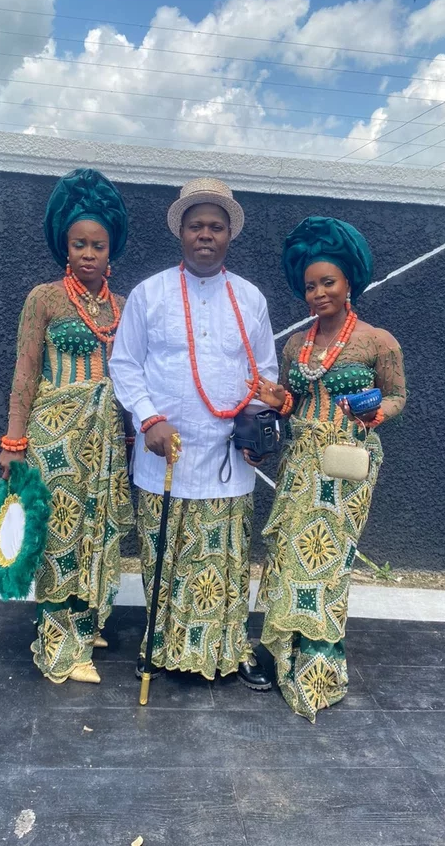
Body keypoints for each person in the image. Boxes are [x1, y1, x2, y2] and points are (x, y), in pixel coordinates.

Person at [109, 177, 278, 690]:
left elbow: (264, 374)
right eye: (196, 225)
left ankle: (230, 649)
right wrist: (148, 418)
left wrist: (257, 430)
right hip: (165, 454)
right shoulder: (149, 293)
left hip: (227, 460)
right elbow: (124, 364)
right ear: (180, 232)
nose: (206, 234)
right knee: (165, 558)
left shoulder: (250, 298)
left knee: (226, 563)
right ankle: (159, 648)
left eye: (216, 226)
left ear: (229, 235)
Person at [255, 216, 407, 722]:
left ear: (349, 282)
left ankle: (319, 668)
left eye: (328, 282)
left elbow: (399, 395)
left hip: (346, 468)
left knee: (326, 560)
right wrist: (277, 400)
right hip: (300, 463)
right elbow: (292, 401)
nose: (319, 293)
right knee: (288, 554)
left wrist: (376, 413)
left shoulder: (378, 341)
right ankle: (287, 654)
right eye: (310, 286)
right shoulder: (295, 345)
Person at [0, 168, 134, 684]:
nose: (88, 254)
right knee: (60, 533)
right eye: (79, 244)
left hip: (105, 443)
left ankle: (85, 620)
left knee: (97, 531)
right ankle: (60, 645)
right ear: (65, 245)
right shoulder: (45, 298)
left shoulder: (124, 307)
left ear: (110, 249)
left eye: (98, 245)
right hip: (55, 438)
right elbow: (25, 370)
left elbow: (132, 377)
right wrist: (14, 443)